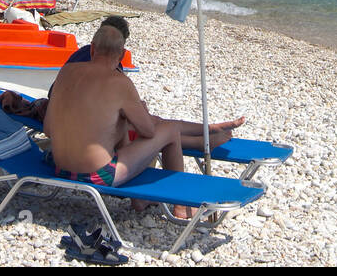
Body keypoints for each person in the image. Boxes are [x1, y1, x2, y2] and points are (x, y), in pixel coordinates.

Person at [40, 18, 245, 218]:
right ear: (121, 55)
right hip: (98, 175)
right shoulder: (120, 82)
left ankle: (144, 198)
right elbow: (148, 131)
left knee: (125, 126)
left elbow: (48, 129)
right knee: (170, 130)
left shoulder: (67, 72)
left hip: (60, 168)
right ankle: (181, 207)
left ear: (92, 49)